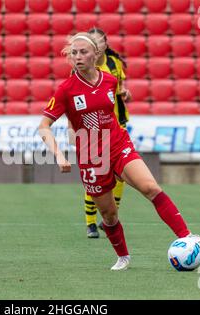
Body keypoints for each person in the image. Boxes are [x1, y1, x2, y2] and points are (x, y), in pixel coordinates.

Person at [38, 32, 200, 271]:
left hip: (118, 144)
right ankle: (123, 257)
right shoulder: (66, 90)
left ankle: (188, 236)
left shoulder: (109, 79)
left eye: (83, 52)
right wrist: (59, 155)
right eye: (74, 53)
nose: (78, 57)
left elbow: (111, 99)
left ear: (96, 55)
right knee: (109, 215)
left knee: (150, 187)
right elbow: (43, 126)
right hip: (91, 157)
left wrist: (124, 94)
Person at [80, 28, 131, 239]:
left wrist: (125, 92)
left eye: (100, 41)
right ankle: (90, 222)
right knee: (96, 174)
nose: (97, 45)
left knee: (121, 175)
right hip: (93, 129)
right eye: (93, 41)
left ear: (105, 43)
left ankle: (110, 217)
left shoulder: (114, 63)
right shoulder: (82, 67)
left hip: (117, 124)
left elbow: (120, 88)